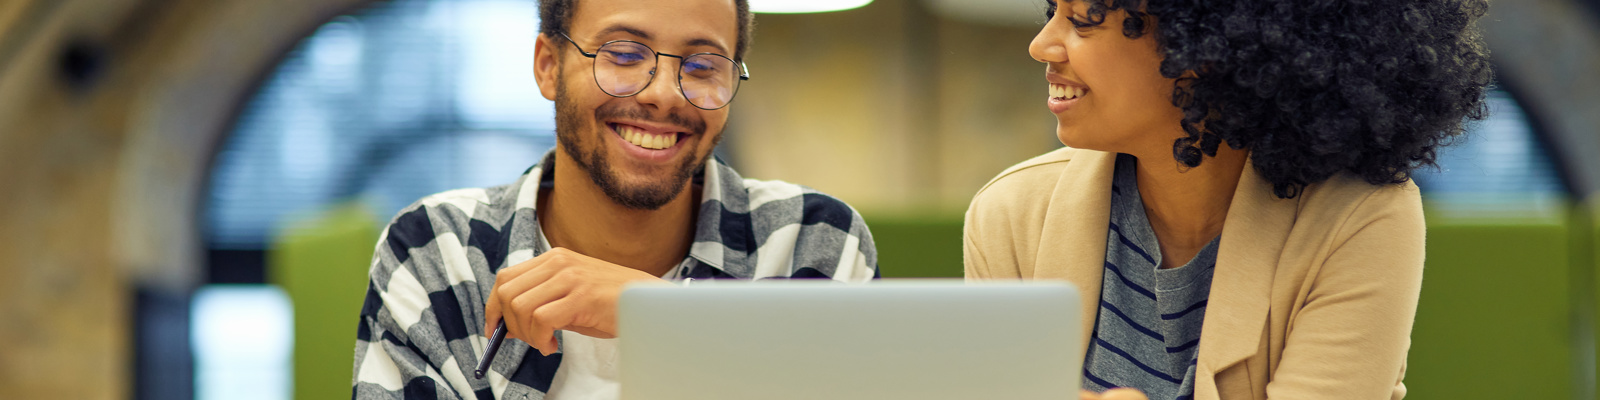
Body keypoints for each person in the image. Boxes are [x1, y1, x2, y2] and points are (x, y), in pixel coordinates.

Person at [963, 0, 1490, 399]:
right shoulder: (1012, 214)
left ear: (1204, 49)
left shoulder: (1359, 218)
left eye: (1084, 20)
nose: (1041, 45)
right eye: (1053, 11)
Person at [351, 0, 879, 397]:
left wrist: (663, 316)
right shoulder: (437, 252)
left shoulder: (810, 241)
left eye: (702, 66)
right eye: (624, 54)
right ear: (548, 66)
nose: (664, 93)